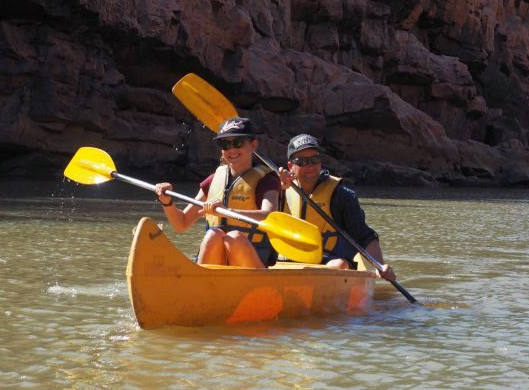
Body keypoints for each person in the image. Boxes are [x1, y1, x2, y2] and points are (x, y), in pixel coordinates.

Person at [155, 117, 281, 268]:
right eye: (225, 144)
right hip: (219, 260)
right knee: (213, 235)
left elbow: (269, 216)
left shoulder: (267, 181)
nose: (232, 149)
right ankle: (203, 285)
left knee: (234, 238)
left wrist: (227, 212)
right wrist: (167, 202)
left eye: (238, 143)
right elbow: (181, 223)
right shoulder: (213, 180)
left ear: (253, 145)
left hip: (252, 258)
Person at [278, 134, 396, 281]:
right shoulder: (278, 189)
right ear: (290, 166)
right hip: (289, 260)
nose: (310, 166)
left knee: (339, 264)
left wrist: (380, 265)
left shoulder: (341, 195)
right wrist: (278, 189)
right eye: (302, 161)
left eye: (315, 159)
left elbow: (364, 236)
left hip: (329, 260)